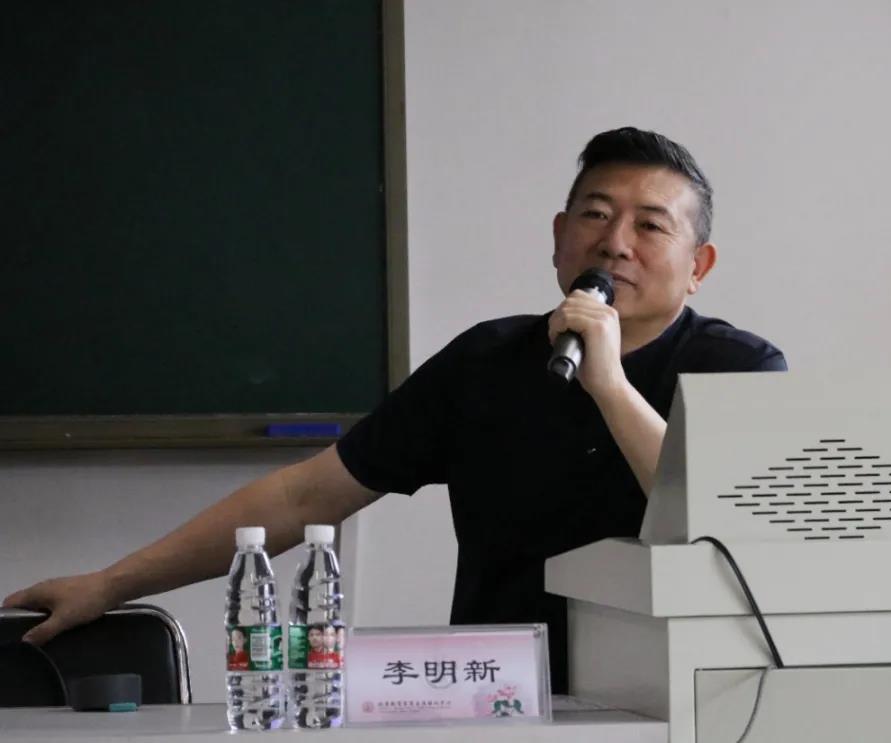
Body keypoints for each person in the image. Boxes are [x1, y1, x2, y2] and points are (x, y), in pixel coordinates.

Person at [3, 127, 785, 694]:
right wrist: (110, 582)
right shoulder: (486, 361)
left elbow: (728, 528)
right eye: (595, 214)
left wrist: (609, 384)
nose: (614, 242)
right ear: (558, 238)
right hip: (501, 701)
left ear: (698, 266)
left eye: (650, 225)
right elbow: (304, 495)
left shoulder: (740, 369)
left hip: (683, 702)